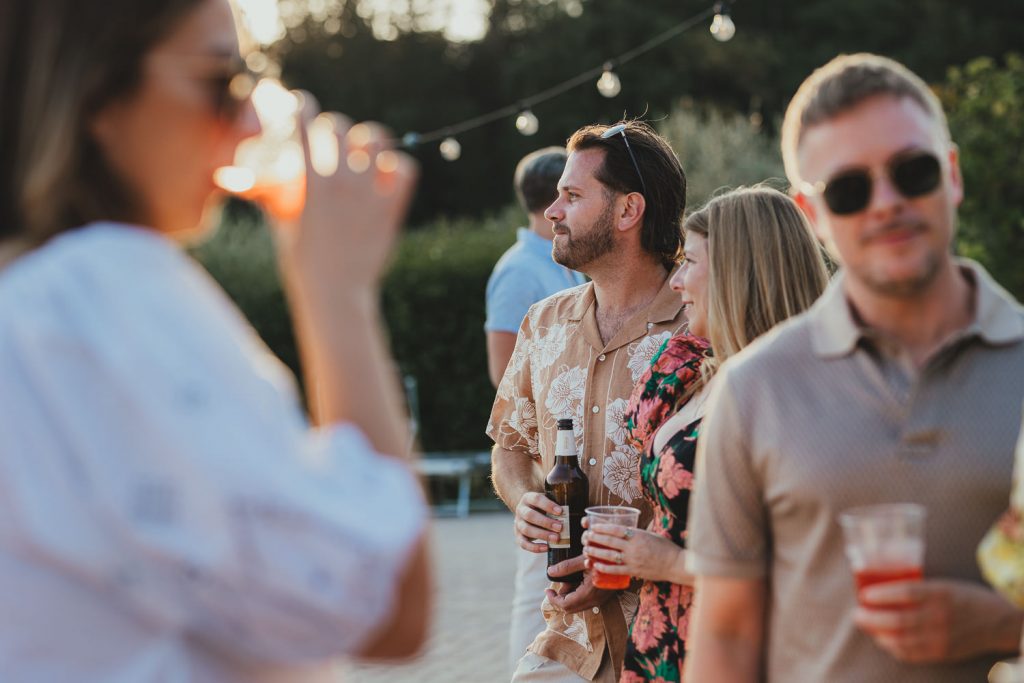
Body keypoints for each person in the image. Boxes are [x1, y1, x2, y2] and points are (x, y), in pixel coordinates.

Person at [0, 0, 431, 680]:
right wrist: (336, 292)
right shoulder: (106, 288)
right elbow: (387, 599)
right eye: (220, 79)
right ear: (95, 94)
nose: (252, 118)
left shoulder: (32, 302)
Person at [686, 53, 1024, 682]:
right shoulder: (755, 388)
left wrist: (1005, 627)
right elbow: (727, 635)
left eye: (913, 171)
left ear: (950, 174)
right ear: (812, 216)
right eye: (848, 189)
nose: (887, 203)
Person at [581, 186, 829, 682]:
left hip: (743, 649)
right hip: (664, 643)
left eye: (689, 262)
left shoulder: (800, 398)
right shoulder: (699, 373)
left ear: (739, 271)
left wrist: (670, 563)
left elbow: (811, 568)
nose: (675, 282)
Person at [489, 120, 689, 682]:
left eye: (572, 196)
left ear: (629, 211)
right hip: (566, 643)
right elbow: (509, 448)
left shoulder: (703, 324)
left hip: (673, 643)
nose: (552, 211)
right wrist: (526, 499)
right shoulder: (543, 324)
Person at [486, 146, 588, 674]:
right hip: (549, 480)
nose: (562, 207)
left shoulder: (568, 262)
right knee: (535, 615)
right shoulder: (518, 272)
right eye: (565, 192)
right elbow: (504, 374)